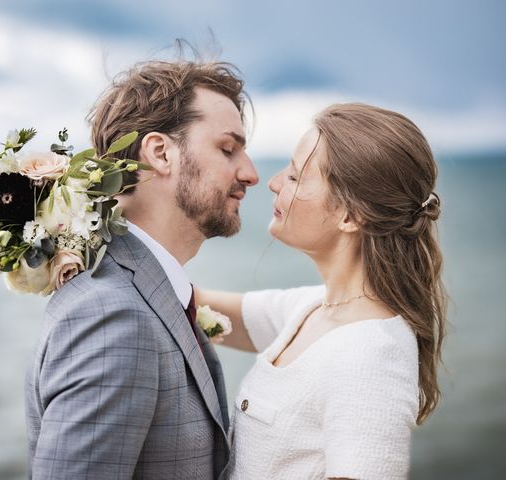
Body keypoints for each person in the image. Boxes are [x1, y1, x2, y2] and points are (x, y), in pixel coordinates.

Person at [24, 59, 259, 479]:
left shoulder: (149, 296)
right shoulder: (113, 316)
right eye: (228, 149)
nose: (251, 173)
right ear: (160, 152)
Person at [197, 103, 447, 479]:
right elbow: (197, 307)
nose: (274, 182)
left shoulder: (371, 354)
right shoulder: (312, 308)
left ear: (351, 216)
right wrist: (82, 240)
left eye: (296, 177)